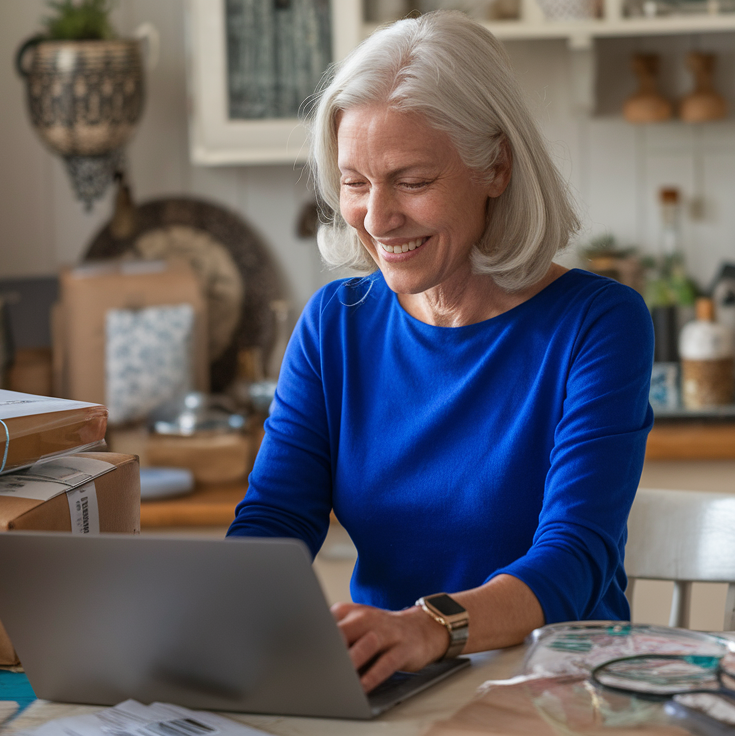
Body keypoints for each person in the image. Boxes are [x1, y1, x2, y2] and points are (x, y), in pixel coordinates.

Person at [226, 11, 654, 692]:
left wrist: (430, 627)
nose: (376, 216)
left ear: (496, 168)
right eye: (356, 182)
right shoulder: (335, 326)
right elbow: (278, 517)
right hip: (394, 683)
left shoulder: (596, 322)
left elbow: (575, 558)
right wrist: (209, 613)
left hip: (558, 692)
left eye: (412, 180)